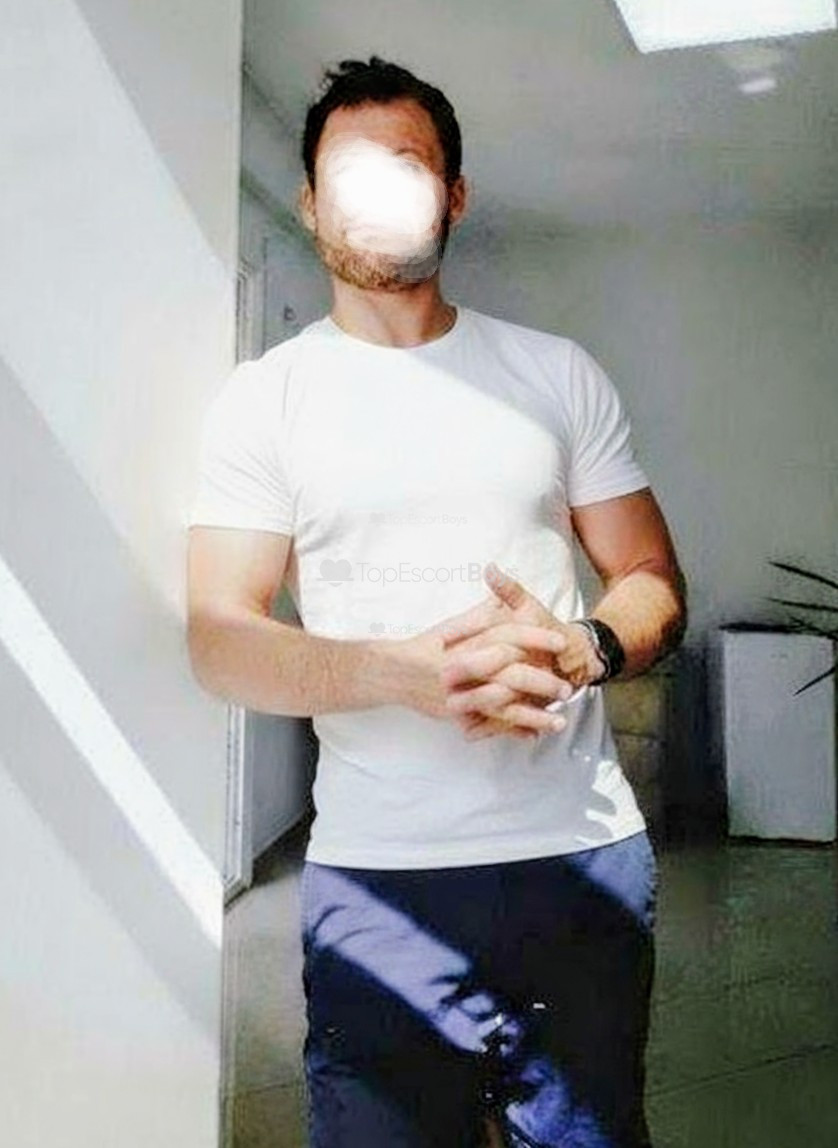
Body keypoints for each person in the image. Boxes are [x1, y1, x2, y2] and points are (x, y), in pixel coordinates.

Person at [187, 55, 687, 1148]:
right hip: (380, 875)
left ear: (453, 194)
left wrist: (587, 644)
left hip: (576, 856)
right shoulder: (264, 402)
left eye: (405, 167)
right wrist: (395, 672)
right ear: (310, 203)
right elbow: (219, 637)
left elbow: (652, 578)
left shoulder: (555, 373)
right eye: (347, 175)